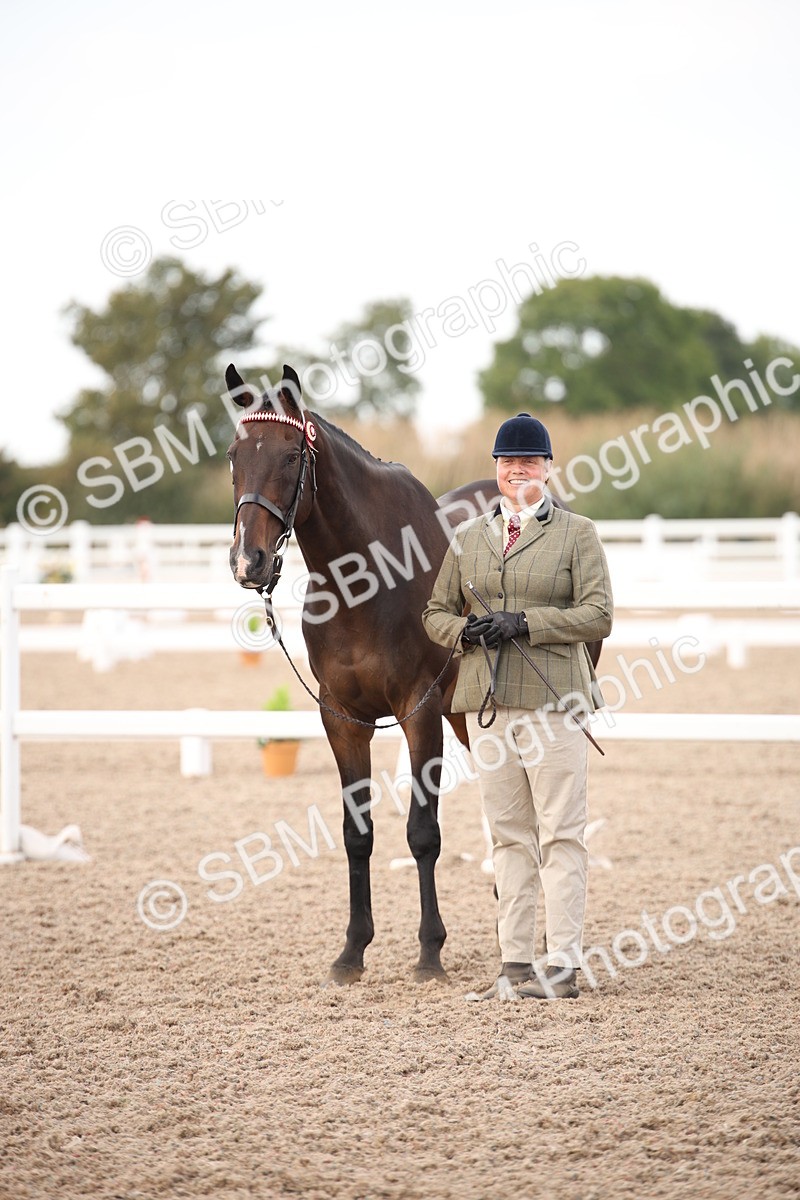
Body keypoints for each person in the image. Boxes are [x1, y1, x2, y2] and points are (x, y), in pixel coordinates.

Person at [422, 413, 613, 1000]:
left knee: (560, 835)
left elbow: (598, 615)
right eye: (509, 462)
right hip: (488, 704)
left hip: (552, 704)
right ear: (497, 471)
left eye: (530, 461)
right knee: (507, 837)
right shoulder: (470, 537)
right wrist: (466, 632)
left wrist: (525, 623)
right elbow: (434, 615)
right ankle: (515, 965)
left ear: (548, 469)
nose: (518, 469)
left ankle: (561, 965)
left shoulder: (576, 534)